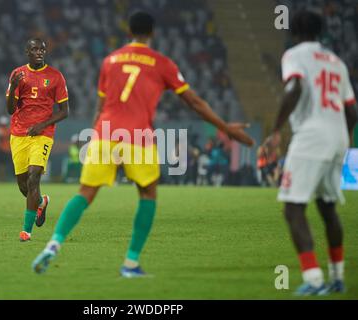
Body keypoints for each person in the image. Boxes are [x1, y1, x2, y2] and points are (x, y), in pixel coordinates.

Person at [32, 11, 253, 277]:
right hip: (138, 136)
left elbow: (101, 106)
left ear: (129, 32)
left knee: (85, 193)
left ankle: (53, 244)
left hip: (106, 133)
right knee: (148, 194)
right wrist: (226, 128)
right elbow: (194, 102)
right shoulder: (162, 63)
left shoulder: (110, 61)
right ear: (153, 33)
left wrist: (93, 136)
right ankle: (131, 263)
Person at [263, 11, 357, 295]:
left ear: (293, 31)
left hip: (312, 137)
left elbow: (295, 87)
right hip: (338, 136)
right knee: (327, 207)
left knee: (293, 207)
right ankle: (337, 276)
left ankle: (314, 279)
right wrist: (343, 140)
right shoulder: (337, 63)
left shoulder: (294, 55)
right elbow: (351, 110)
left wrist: (276, 129)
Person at [6, 38, 69, 241]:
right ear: (27, 52)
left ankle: (26, 231)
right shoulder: (18, 74)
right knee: (24, 186)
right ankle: (41, 202)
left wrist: (42, 125)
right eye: (34, 49)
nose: (39, 52)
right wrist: (13, 87)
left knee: (34, 177)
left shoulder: (55, 76)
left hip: (43, 134)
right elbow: (10, 110)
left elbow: (65, 111)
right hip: (19, 134)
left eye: (42, 49)